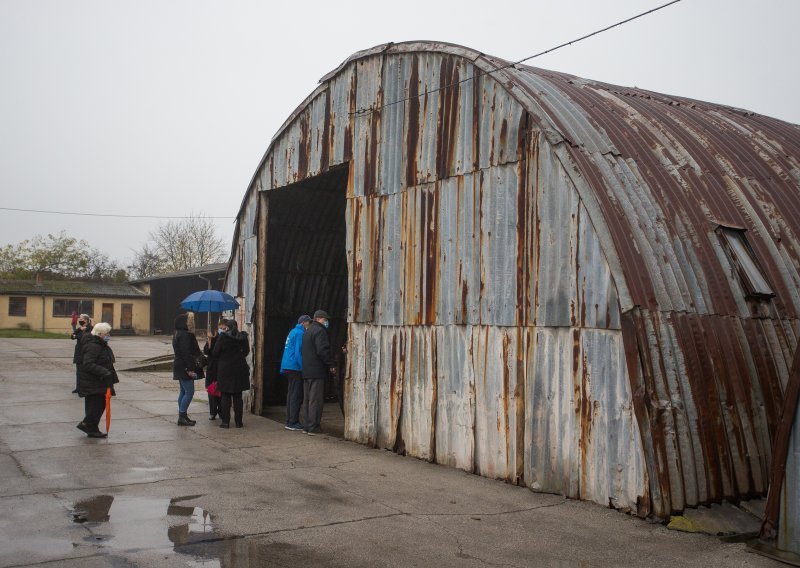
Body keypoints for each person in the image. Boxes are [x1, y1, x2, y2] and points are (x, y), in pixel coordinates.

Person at [76, 322, 118, 438]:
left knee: (98, 406)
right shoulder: (94, 346)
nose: (108, 335)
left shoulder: (100, 344)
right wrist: (104, 372)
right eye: (106, 333)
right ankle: (87, 425)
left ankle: (92, 428)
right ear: (99, 334)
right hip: (94, 382)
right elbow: (88, 364)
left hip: (99, 381)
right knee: (96, 406)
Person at [301, 309, 336, 435]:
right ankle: (313, 427)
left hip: (306, 370)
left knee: (307, 399)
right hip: (317, 371)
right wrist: (331, 364)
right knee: (316, 399)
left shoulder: (307, 331)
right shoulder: (320, 331)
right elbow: (322, 350)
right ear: (318, 319)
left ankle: (306, 425)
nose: (326, 322)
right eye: (325, 320)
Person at [212, 319, 250, 428]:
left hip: (225, 369)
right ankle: (239, 422)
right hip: (239, 368)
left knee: (225, 396)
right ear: (237, 326)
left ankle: (225, 422)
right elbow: (246, 352)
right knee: (238, 396)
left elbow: (215, 352)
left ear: (227, 327)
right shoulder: (243, 337)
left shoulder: (223, 337)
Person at [280, 314, 312, 431]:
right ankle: (292, 422)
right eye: (309, 322)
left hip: (288, 366)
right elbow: (299, 352)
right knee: (296, 395)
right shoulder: (300, 333)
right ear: (303, 323)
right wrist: (303, 367)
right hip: (295, 367)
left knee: (291, 394)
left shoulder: (292, 331)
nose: (310, 325)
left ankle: (289, 420)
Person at [172, 313, 203, 426]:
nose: (191, 322)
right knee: (189, 392)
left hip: (180, 365)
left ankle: (183, 416)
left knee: (183, 391)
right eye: (190, 320)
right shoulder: (184, 335)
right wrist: (189, 369)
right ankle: (182, 416)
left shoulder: (178, 334)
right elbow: (186, 353)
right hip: (184, 366)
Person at [70, 314, 92, 394]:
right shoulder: (80, 329)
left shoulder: (90, 329)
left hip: (86, 352)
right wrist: (79, 329)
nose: (80, 320)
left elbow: (85, 338)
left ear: (86, 320)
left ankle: (86, 387)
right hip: (79, 352)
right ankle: (78, 387)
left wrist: (78, 335)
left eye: (81, 319)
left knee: (86, 371)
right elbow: (72, 336)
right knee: (78, 371)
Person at [204, 324, 222, 420]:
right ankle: (213, 411)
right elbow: (206, 351)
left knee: (220, 391)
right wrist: (210, 341)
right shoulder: (209, 340)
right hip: (211, 369)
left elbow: (217, 352)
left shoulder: (222, 339)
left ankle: (221, 411)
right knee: (211, 391)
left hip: (220, 368)